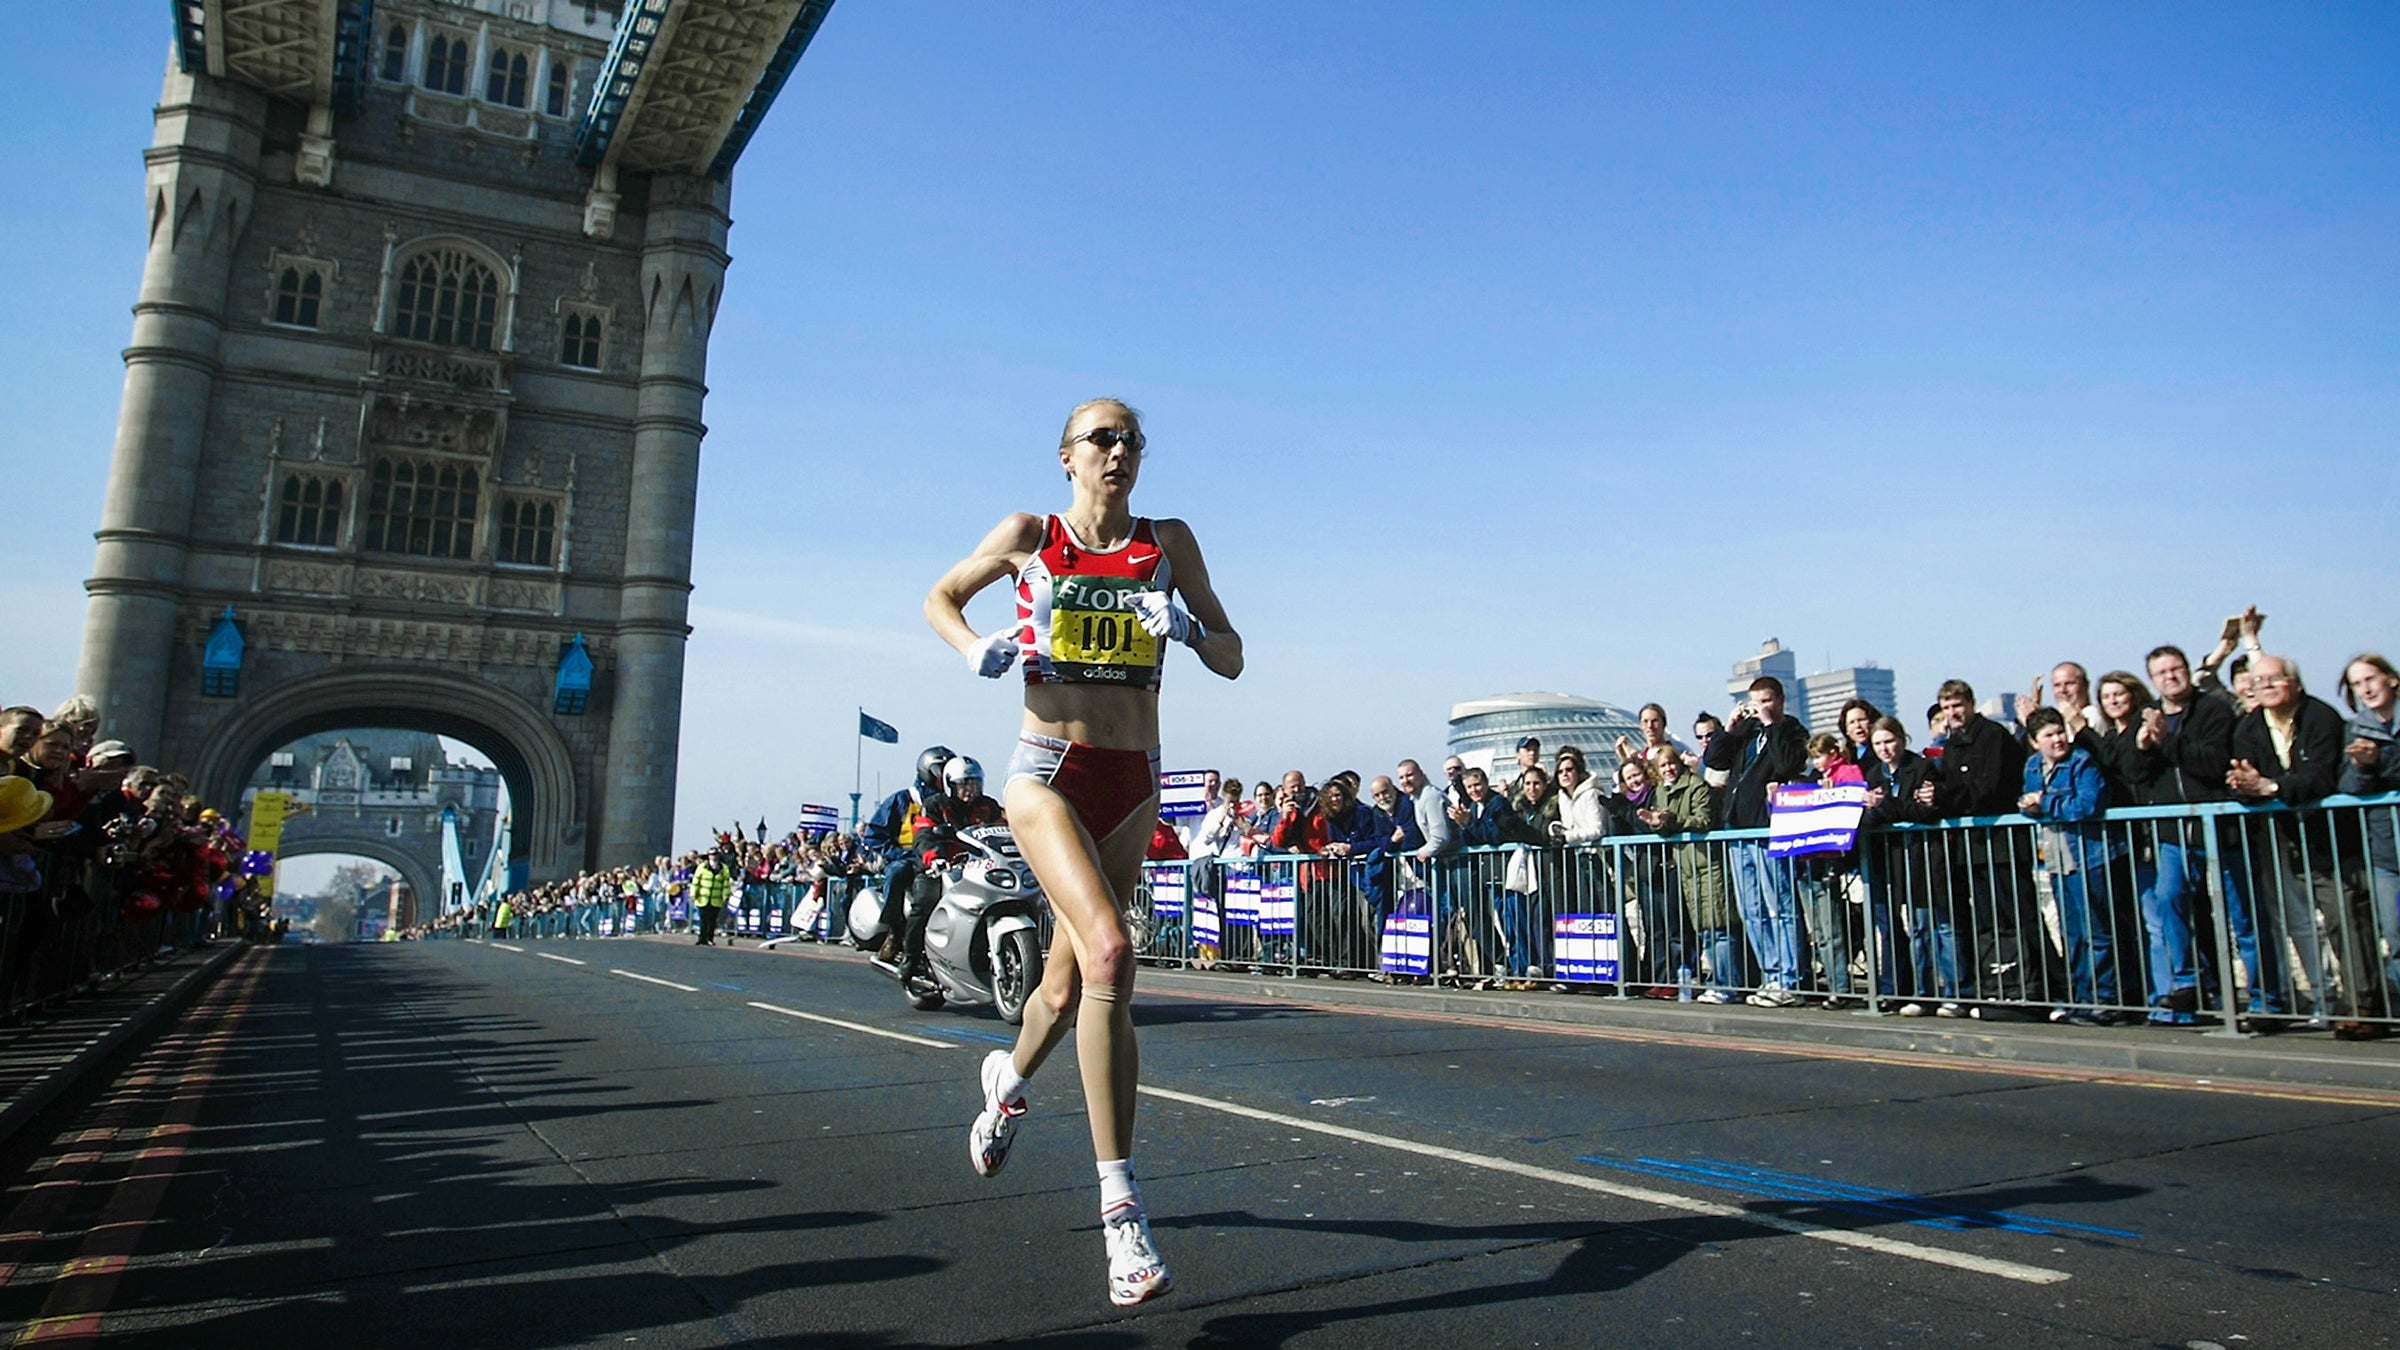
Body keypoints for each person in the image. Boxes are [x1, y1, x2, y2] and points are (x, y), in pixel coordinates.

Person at [928, 398, 1240, 1306]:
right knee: (1111, 952)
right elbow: (939, 597)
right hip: (1046, 773)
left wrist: (1187, 630)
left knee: (1066, 991)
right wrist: (973, 648)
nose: (1119, 451)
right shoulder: (1030, 534)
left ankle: (1006, 1080)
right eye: (1102, 438)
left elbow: (1233, 655)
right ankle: (1122, 1213)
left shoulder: (1168, 543)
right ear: (1066, 456)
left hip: (1133, 781)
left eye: (1132, 440)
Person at [2228, 654, 2382, 1035]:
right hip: (2284, 838)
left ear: (2295, 682)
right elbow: (2245, 780)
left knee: (2346, 917)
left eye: (2274, 678)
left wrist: (2272, 787)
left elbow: (2322, 777)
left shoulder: (2321, 717)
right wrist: (2247, 786)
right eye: (2259, 681)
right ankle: (2346, 1001)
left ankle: (2364, 1007)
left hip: (2330, 836)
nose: (2266, 686)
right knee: (2308, 922)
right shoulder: (2249, 727)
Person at [1702, 676, 1808, 1007]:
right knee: (1752, 910)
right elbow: (1714, 760)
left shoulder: (1792, 731)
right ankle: (1771, 974)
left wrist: (1771, 725)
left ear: (1780, 700)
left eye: (1766, 701)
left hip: (1768, 830)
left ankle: (1791, 979)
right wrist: (1729, 729)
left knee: (1780, 906)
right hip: (1738, 829)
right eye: (1755, 702)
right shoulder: (1747, 732)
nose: (1760, 707)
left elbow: (1787, 763)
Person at [2018, 708, 2119, 1024]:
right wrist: (2029, 806)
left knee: (2097, 930)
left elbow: (2088, 804)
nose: (2057, 739)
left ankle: (2105, 999)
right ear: (2035, 742)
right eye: (2048, 735)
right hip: (2056, 858)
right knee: (2071, 932)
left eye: (2060, 732)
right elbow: (2029, 801)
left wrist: (2045, 803)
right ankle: (2080, 997)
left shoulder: (2081, 761)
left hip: (2087, 854)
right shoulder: (2033, 766)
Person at [2341, 655, 2400, 1008]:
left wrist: (2380, 761)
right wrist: (2362, 767)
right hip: (2385, 852)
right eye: (2357, 683)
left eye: (2370, 679)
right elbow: (2348, 787)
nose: (2365, 689)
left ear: (2391, 679)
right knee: (2395, 934)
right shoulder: (2355, 730)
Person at [863, 745, 955, 970]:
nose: (944, 776)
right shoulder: (902, 799)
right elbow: (874, 834)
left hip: (944, 859)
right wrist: (897, 853)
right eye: (940, 770)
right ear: (926, 771)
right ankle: (895, 932)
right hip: (908, 858)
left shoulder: (954, 802)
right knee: (897, 872)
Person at [690, 850, 731, 947]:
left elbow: (726, 884)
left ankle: (710, 939)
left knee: (712, 920)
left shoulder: (724, 868)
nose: (714, 856)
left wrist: (725, 895)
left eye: (715, 854)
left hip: (715, 899)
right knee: (703, 920)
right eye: (712, 855)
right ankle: (702, 939)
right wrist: (693, 893)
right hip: (703, 898)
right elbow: (696, 881)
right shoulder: (702, 867)